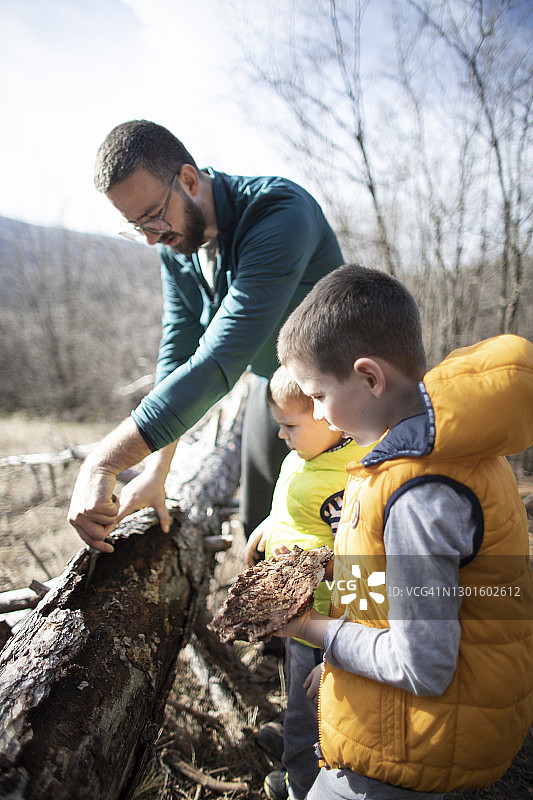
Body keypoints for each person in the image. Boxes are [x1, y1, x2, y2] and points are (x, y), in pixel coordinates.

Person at [271, 263, 533, 800]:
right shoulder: (432, 451)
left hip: (411, 748)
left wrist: (311, 628)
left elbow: (423, 666)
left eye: (317, 395)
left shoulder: (419, 493)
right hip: (405, 720)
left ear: (369, 377)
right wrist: (342, 667)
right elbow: (399, 597)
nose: (316, 412)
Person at [67, 120, 343, 548]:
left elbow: (218, 360)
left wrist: (102, 462)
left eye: (153, 218)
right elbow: (177, 352)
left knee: (337, 526)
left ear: (189, 180)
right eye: (136, 226)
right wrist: (157, 469)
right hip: (273, 382)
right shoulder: (177, 244)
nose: (150, 239)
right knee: (260, 524)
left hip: (342, 393)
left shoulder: (280, 213)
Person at [244, 366, 373, 800]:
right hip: (296, 613)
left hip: (321, 618)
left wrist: (312, 566)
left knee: (309, 710)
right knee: (296, 692)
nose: (281, 434)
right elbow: (294, 507)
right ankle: (294, 746)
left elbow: (354, 559)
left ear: (325, 415)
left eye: (289, 425)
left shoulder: (343, 480)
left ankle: (299, 784)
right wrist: (267, 525)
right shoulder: (304, 456)